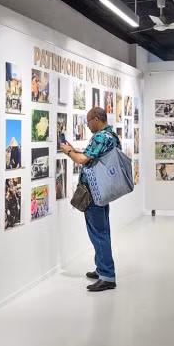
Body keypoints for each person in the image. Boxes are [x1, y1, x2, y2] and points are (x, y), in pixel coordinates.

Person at [60, 106, 118, 292]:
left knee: (98, 233)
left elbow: (82, 160)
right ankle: (102, 268)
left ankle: (107, 276)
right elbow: (92, 156)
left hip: (94, 192)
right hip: (100, 190)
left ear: (96, 119)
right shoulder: (111, 136)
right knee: (102, 231)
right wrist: (74, 150)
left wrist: (68, 152)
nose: (87, 125)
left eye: (88, 121)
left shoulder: (101, 137)